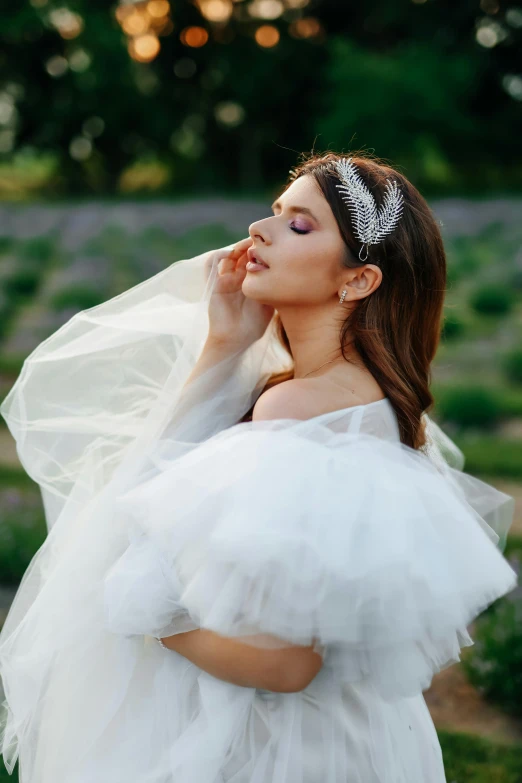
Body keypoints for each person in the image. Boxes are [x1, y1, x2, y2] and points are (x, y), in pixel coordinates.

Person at [0, 151, 517, 783]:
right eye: (274, 212)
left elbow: (287, 665)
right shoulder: (358, 397)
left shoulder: (297, 409)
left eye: (300, 225)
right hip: (351, 739)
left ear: (357, 281)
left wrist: (152, 624)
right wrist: (226, 342)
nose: (259, 231)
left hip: (280, 747)